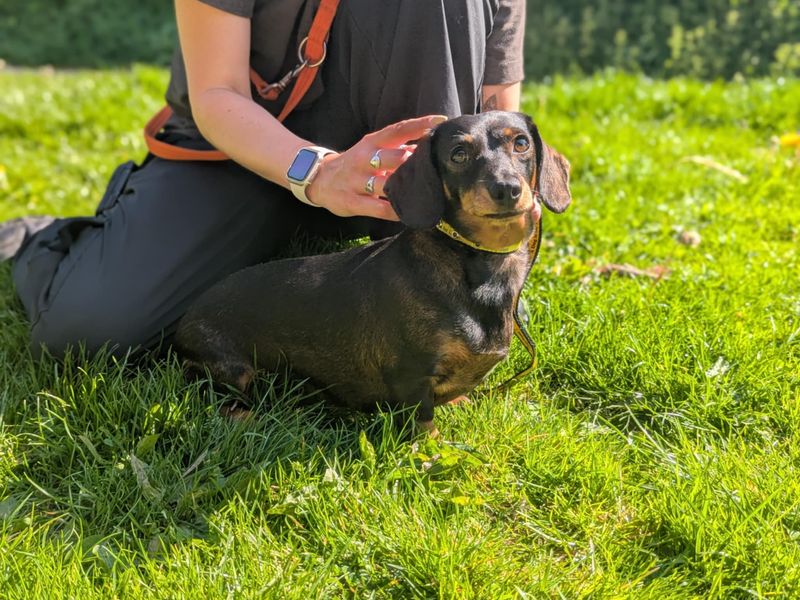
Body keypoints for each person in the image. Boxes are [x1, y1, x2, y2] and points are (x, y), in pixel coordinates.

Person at [2, 0, 526, 359]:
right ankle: (36, 239)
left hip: (398, 184)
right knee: (90, 330)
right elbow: (216, 91)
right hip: (234, 155)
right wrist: (318, 171)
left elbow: (494, 111)